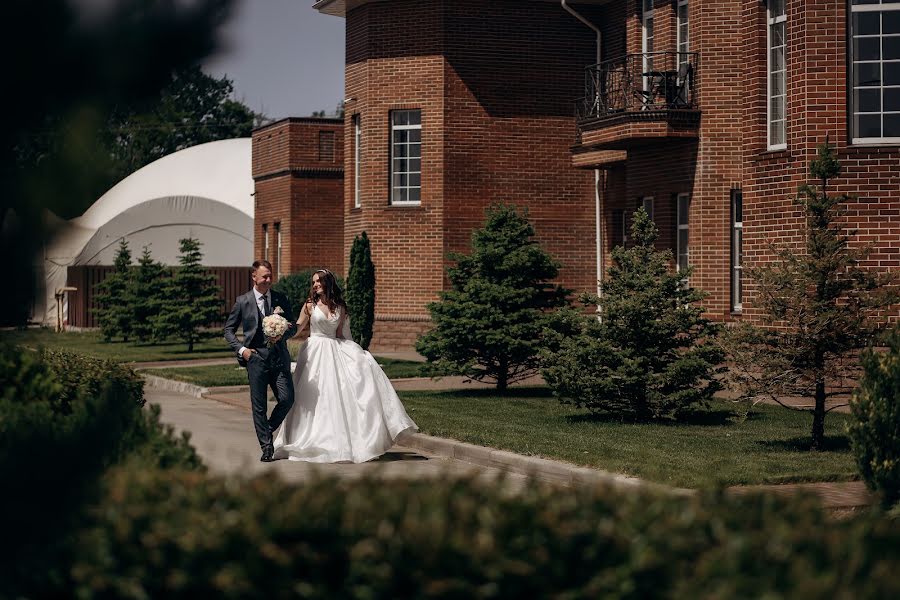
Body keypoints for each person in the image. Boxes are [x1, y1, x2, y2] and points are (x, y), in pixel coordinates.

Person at [273, 269, 418, 463]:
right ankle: (306, 437)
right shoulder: (309, 305)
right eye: (313, 282)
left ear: (327, 283)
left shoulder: (339, 306)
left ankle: (338, 441)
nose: (315, 285)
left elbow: (341, 334)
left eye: (318, 281)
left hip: (334, 351)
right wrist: (281, 329)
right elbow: (299, 326)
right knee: (312, 396)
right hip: (314, 352)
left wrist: (356, 353)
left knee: (336, 394)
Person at [224, 260, 298, 462]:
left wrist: (282, 331)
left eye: (270, 276)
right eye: (264, 276)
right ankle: (267, 447)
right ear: (254, 277)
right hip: (255, 359)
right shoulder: (243, 301)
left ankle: (266, 428)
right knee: (259, 406)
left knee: (287, 398)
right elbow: (228, 330)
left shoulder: (281, 298)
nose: (268, 280)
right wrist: (242, 350)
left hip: (278, 357)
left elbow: (293, 326)